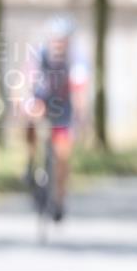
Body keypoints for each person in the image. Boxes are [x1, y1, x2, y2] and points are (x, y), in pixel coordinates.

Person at [25, 15, 88, 222]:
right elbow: (26, 79)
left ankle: (59, 198)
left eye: (63, 40)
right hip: (42, 100)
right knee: (30, 116)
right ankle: (30, 161)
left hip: (64, 109)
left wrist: (81, 118)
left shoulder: (76, 59)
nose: (59, 44)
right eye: (56, 39)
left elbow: (80, 91)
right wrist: (24, 101)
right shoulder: (39, 54)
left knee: (62, 156)